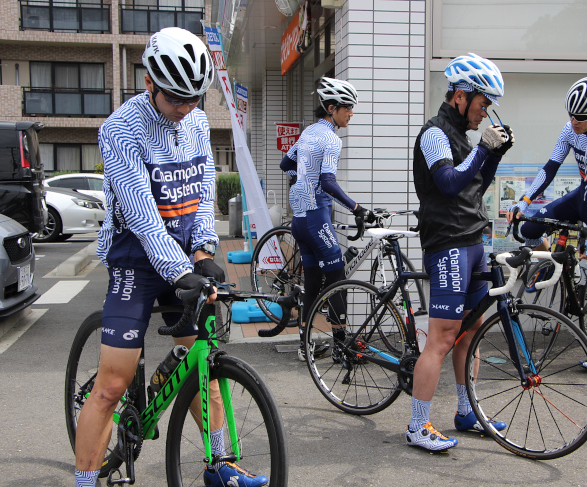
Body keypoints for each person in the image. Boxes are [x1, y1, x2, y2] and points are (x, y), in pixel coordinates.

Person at [73, 28, 267, 487]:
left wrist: (202, 252)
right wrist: (182, 271)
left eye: (195, 99)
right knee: (112, 385)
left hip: (180, 254)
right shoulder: (120, 130)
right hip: (135, 260)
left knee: (201, 359)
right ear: (149, 84)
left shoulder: (196, 122)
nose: (186, 110)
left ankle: (221, 464)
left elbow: (201, 193)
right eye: (176, 99)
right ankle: (84, 480)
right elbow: (142, 216)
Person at [408, 54, 514, 452]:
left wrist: (493, 154)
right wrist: (482, 151)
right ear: (460, 96)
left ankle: (466, 411)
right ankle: (418, 426)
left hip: (472, 242)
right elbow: (450, 184)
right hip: (448, 243)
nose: (485, 113)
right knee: (442, 338)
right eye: (483, 104)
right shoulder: (434, 134)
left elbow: (474, 186)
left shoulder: (463, 139)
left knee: (469, 332)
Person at [507, 76, 587, 370]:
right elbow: (549, 169)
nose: (573, 122)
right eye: (570, 116)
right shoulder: (570, 130)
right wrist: (524, 200)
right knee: (529, 228)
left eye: (580, 117)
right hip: (581, 197)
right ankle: (550, 261)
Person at [279, 76, 374, 362]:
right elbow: (329, 182)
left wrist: (302, 183)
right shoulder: (331, 138)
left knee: (313, 281)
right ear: (331, 108)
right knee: (337, 280)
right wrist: (357, 207)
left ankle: (304, 347)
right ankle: (341, 348)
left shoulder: (309, 132)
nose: (351, 113)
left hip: (300, 220)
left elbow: (286, 164)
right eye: (348, 108)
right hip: (317, 219)